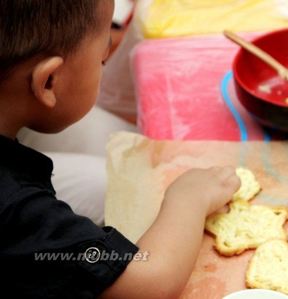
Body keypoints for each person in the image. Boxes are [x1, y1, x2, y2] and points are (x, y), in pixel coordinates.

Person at [0, 1, 240, 298]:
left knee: (120, 145)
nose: (103, 65)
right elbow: (149, 284)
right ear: (49, 81)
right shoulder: (16, 213)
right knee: (123, 185)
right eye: (102, 60)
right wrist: (189, 200)